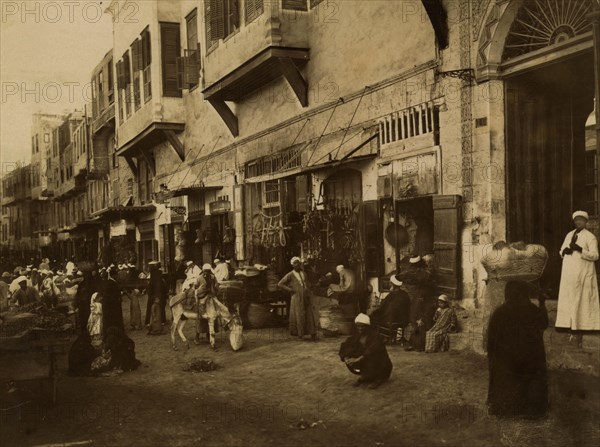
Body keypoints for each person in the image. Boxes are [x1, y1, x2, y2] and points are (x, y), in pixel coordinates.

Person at [487, 281, 548, 418]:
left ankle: (506, 408)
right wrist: (542, 303)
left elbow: (491, 339)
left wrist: (492, 358)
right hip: (529, 360)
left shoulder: (500, 312)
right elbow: (544, 324)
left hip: (506, 360)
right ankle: (530, 409)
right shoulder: (532, 310)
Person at [556, 210, 600, 348]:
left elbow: (595, 256)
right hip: (569, 273)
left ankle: (583, 325)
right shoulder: (570, 234)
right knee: (568, 297)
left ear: (586, 222)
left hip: (583, 273)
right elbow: (561, 248)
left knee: (582, 298)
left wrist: (581, 250)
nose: (578, 222)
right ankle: (566, 324)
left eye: (581, 220)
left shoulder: (590, 237)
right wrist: (564, 251)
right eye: (576, 220)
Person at [339, 313, 393, 388]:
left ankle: (378, 378)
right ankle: (366, 376)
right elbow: (345, 346)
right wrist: (346, 358)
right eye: (358, 326)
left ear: (367, 327)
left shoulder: (375, 336)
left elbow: (372, 350)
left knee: (372, 357)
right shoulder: (356, 335)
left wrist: (358, 359)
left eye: (362, 326)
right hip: (365, 361)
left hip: (380, 365)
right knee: (350, 353)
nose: (360, 328)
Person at [278, 257, 317, 341]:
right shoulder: (290, 274)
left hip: (305, 296)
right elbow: (280, 284)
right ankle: (300, 333)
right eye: (295, 263)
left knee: (309, 314)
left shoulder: (304, 273)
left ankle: (312, 332)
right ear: (292, 265)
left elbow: (307, 283)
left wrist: (308, 289)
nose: (297, 265)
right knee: (299, 314)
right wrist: (290, 290)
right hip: (296, 297)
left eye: (298, 263)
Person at [370, 274, 411, 344]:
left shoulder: (391, 295)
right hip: (404, 319)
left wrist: (374, 312)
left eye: (390, 282)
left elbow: (382, 307)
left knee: (373, 316)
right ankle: (389, 337)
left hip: (392, 318)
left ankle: (382, 338)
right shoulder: (405, 294)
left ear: (393, 284)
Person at [146, 261, 168, 327]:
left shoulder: (154, 275)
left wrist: (151, 294)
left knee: (153, 307)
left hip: (155, 295)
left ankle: (151, 322)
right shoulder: (160, 275)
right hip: (159, 294)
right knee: (161, 307)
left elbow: (152, 286)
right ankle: (162, 320)